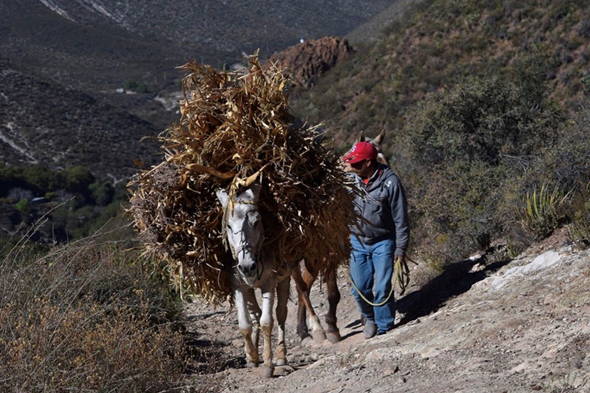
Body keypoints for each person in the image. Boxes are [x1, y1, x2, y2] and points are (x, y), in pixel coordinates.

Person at [342, 141, 409, 338]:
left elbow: (401, 218)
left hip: (383, 241)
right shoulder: (349, 181)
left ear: (369, 163)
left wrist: (401, 249)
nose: (351, 167)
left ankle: (384, 327)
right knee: (359, 289)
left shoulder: (390, 182)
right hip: (357, 241)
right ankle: (368, 318)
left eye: (356, 164)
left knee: (381, 288)